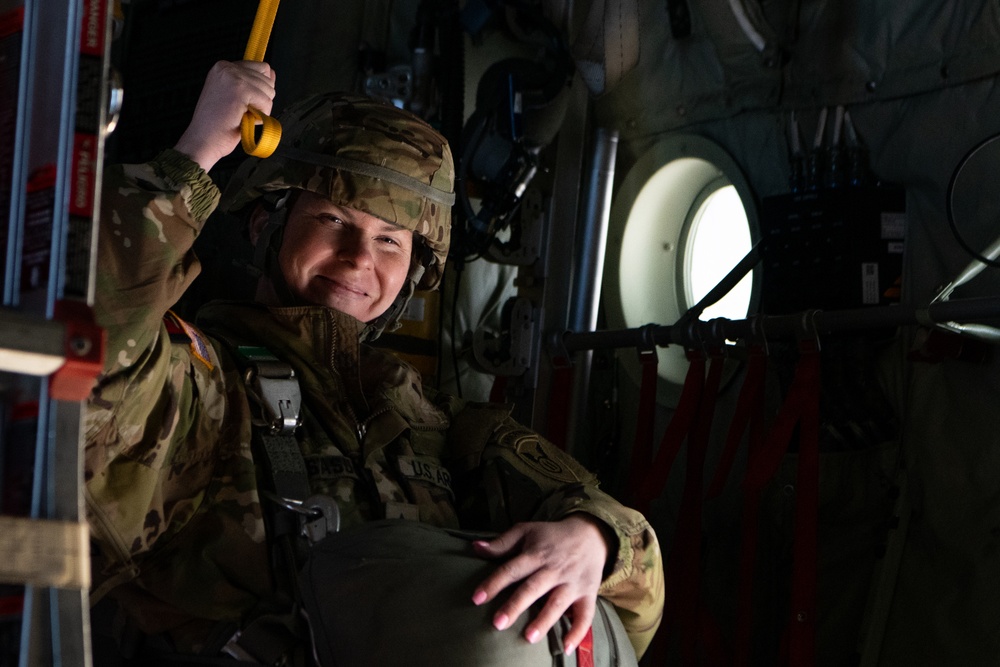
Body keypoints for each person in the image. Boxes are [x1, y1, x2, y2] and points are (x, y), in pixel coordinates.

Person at [85, 59, 664, 664]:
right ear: (267, 223)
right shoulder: (199, 385)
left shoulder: (448, 427)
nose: (361, 257)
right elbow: (89, 338)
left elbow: (634, 577)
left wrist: (593, 540)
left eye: (390, 239)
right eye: (332, 219)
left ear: (411, 273)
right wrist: (196, 155)